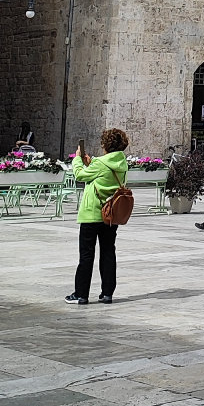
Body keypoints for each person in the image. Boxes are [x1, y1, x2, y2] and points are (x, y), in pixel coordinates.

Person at [66, 127, 128, 304]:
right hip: (110, 214)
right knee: (108, 252)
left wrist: (78, 159)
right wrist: (91, 162)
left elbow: (80, 175)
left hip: (92, 213)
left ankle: (81, 294)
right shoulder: (122, 163)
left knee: (86, 254)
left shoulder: (100, 163)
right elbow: (103, 173)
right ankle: (107, 292)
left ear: (105, 145)